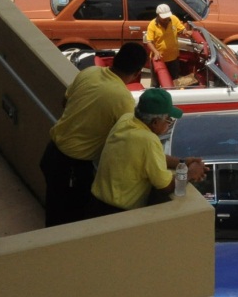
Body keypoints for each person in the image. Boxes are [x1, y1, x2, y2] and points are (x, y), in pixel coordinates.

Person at [41, 42, 147, 226]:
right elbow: (126, 140)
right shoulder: (123, 99)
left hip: (52, 154)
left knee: (54, 210)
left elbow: (65, 103)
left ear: (115, 59)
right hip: (73, 166)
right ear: (138, 72)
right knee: (68, 222)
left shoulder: (88, 73)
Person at [88, 88, 205, 217]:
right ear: (155, 122)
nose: (169, 124)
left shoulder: (126, 120)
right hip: (118, 213)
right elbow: (166, 186)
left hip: (96, 201)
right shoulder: (148, 140)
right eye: (168, 120)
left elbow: (151, 158)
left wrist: (183, 162)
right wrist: (190, 173)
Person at [143, 3, 188, 76]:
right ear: (158, 15)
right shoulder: (152, 25)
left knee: (174, 81)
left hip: (173, 58)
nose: (166, 19)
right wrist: (156, 52)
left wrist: (185, 32)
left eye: (167, 17)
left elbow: (181, 29)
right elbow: (149, 42)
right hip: (159, 59)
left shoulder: (174, 19)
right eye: (163, 18)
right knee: (155, 84)